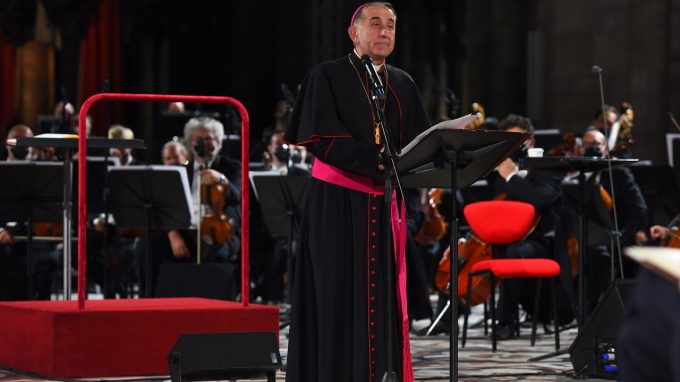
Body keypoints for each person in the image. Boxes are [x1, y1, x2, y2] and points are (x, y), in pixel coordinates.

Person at [283, 3, 431, 381]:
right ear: (354, 33)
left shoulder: (403, 83)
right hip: (337, 204)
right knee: (337, 296)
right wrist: (378, 160)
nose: (384, 32)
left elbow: (421, 142)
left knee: (381, 299)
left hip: (384, 205)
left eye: (392, 26)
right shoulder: (327, 75)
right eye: (376, 24)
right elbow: (323, 138)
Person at [491, 114, 575, 339]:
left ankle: (505, 322)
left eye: (520, 140)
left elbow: (539, 199)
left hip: (539, 240)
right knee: (460, 253)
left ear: (532, 142)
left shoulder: (549, 167)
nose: (515, 146)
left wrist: (511, 178)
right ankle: (445, 319)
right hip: (502, 236)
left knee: (516, 253)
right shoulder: (498, 169)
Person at [0, 125, 59, 300]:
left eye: (26, 140)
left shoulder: (41, 172)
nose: (21, 144)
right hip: (4, 239)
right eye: (16, 139)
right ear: (6, 144)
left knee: (47, 260)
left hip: (33, 238)